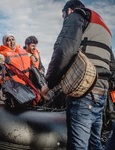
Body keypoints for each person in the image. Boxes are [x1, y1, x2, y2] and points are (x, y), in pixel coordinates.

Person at [41, 0, 112, 149]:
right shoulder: (104, 28)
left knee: (78, 145)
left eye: (63, 16)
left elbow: (64, 51)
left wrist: (49, 84)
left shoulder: (77, 16)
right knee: (95, 143)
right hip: (102, 90)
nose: (64, 20)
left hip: (84, 90)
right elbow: (111, 64)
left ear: (69, 10)